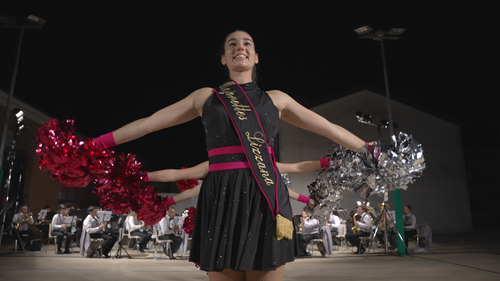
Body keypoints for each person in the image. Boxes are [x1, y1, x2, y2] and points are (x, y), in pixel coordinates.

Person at [92, 30, 368, 279]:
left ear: (256, 56)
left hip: (265, 194)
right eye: (232, 44)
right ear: (224, 58)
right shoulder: (205, 97)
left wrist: (372, 151)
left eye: (247, 43)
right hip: (220, 193)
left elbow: (330, 129)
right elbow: (148, 123)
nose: (240, 47)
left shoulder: (276, 99)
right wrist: (93, 146)